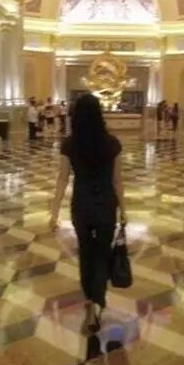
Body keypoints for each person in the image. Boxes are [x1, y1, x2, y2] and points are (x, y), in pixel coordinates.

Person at [50, 93, 127, 331]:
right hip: (106, 204)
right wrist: (124, 210)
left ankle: (90, 305)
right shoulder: (112, 143)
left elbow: (62, 179)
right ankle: (97, 300)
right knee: (102, 255)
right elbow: (117, 180)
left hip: (81, 205)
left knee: (85, 254)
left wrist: (54, 212)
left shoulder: (69, 144)